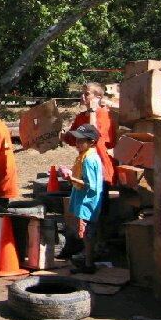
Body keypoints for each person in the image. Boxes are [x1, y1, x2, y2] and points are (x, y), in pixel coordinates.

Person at [59, 82, 117, 258]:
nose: (83, 97)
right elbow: (72, 138)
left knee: (98, 211)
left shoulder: (103, 114)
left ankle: (98, 248)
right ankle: (88, 249)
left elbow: (95, 135)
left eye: (87, 94)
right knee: (84, 212)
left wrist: (92, 111)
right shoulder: (80, 117)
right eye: (82, 94)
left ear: (98, 97)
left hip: (100, 167)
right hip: (84, 167)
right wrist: (61, 135)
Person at [63, 124, 103, 274]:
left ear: (91, 142)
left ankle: (89, 263)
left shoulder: (89, 160)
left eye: (81, 140)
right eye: (76, 140)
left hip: (88, 202)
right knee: (87, 233)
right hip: (86, 201)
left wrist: (71, 178)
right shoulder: (85, 156)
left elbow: (90, 184)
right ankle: (88, 261)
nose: (77, 143)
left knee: (88, 234)